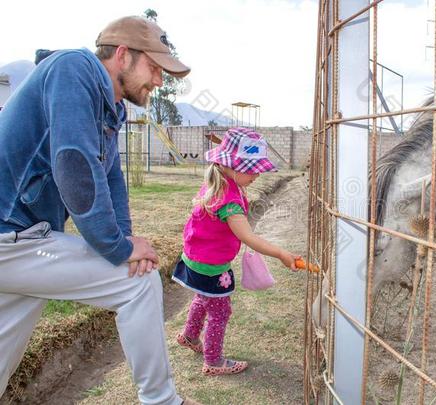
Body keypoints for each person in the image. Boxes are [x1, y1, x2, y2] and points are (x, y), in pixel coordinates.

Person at [0, 16, 201, 405]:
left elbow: (111, 180)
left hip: (19, 241)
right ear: (123, 54)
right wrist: (118, 249)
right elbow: (75, 165)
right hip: (11, 238)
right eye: (155, 68)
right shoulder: (73, 69)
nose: (159, 81)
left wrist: (124, 237)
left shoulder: (110, 106)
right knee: (138, 283)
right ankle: (162, 401)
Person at [173, 127, 300, 376]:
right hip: (211, 265)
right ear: (229, 166)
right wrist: (282, 254)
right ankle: (213, 361)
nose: (256, 176)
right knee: (220, 311)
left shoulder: (218, 182)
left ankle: (189, 335)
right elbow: (248, 237)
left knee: (202, 297)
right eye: (251, 170)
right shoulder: (229, 201)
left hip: (195, 258)